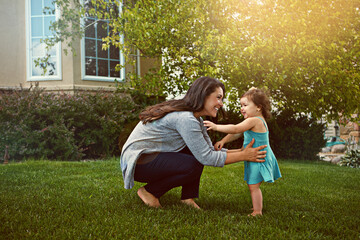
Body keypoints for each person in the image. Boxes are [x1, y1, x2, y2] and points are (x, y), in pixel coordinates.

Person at [120, 77, 267, 209]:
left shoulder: (196, 119)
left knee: (196, 153)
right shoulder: (186, 119)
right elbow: (207, 157)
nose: (221, 104)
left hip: (150, 158)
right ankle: (150, 192)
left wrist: (243, 152)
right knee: (194, 164)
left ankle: (187, 198)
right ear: (204, 95)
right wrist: (244, 156)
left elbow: (209, 150)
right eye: (218, 98)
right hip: (138, 162)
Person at [204, 87, 281, 216]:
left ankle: (257, 211)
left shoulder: (254, 120)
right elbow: (237, 133)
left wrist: (216, 127)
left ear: (258, 107)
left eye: (245, 105)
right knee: (253, 185)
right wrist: (223, 141)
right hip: (256, 155)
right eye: (241, 105)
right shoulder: (254, 121)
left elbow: (235, 128)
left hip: (258, 156)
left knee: (253, 186)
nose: (242, 108)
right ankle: (256, 209)